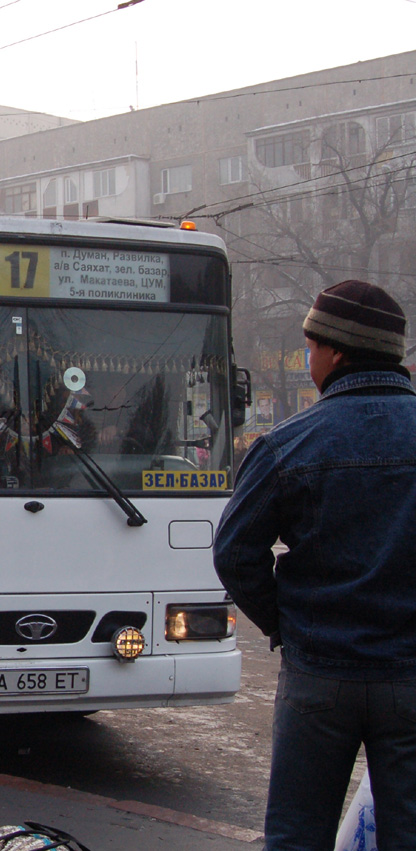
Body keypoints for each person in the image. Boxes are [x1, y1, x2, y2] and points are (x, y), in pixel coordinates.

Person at [213, 280, 416, 850]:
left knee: (298, 833)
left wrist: (285, 623)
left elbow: (234, 552)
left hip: (319, 675)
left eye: (312, 347)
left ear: (337, 354)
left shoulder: (287, 444)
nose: (308, 360)